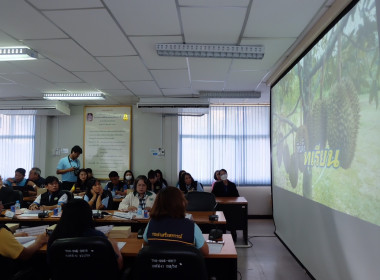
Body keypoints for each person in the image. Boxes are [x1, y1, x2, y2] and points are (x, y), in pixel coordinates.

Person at [47, 199, 123, 270]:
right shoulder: (98, 237)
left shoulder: (55, 237)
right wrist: (114, 245)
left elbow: (50, 266)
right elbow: (118, 266)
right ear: (88, 215)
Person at [143, 187, 209, 256]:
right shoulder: (191, 226)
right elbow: (205, 252)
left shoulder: (151, 224)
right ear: (181, 203)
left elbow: (146, 247)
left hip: (157, 265)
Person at [211, 169, 239, 241]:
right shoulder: (217, 184)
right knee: (221, 217)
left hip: (231, 206)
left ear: (227, 174)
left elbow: (237, 196)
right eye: (221, 174)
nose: (223, 175)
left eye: (224, 174)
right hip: (221, 206)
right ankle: (222, 233)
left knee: (232, 216)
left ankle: (233, 233)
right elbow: (213, 195)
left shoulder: (232, 184)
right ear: (219, 176)